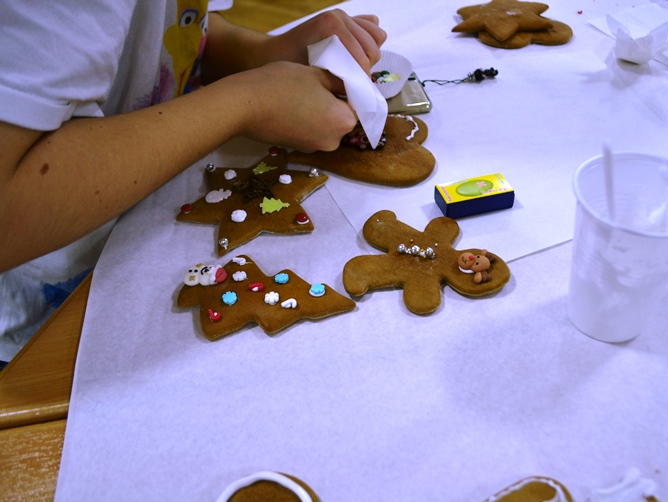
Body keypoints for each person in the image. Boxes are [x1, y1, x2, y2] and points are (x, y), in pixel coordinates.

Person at [0, 1, 387, 363]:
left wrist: (257, 53)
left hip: (143, 237)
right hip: (42, 328)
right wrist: (248, 101)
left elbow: (177, 32)